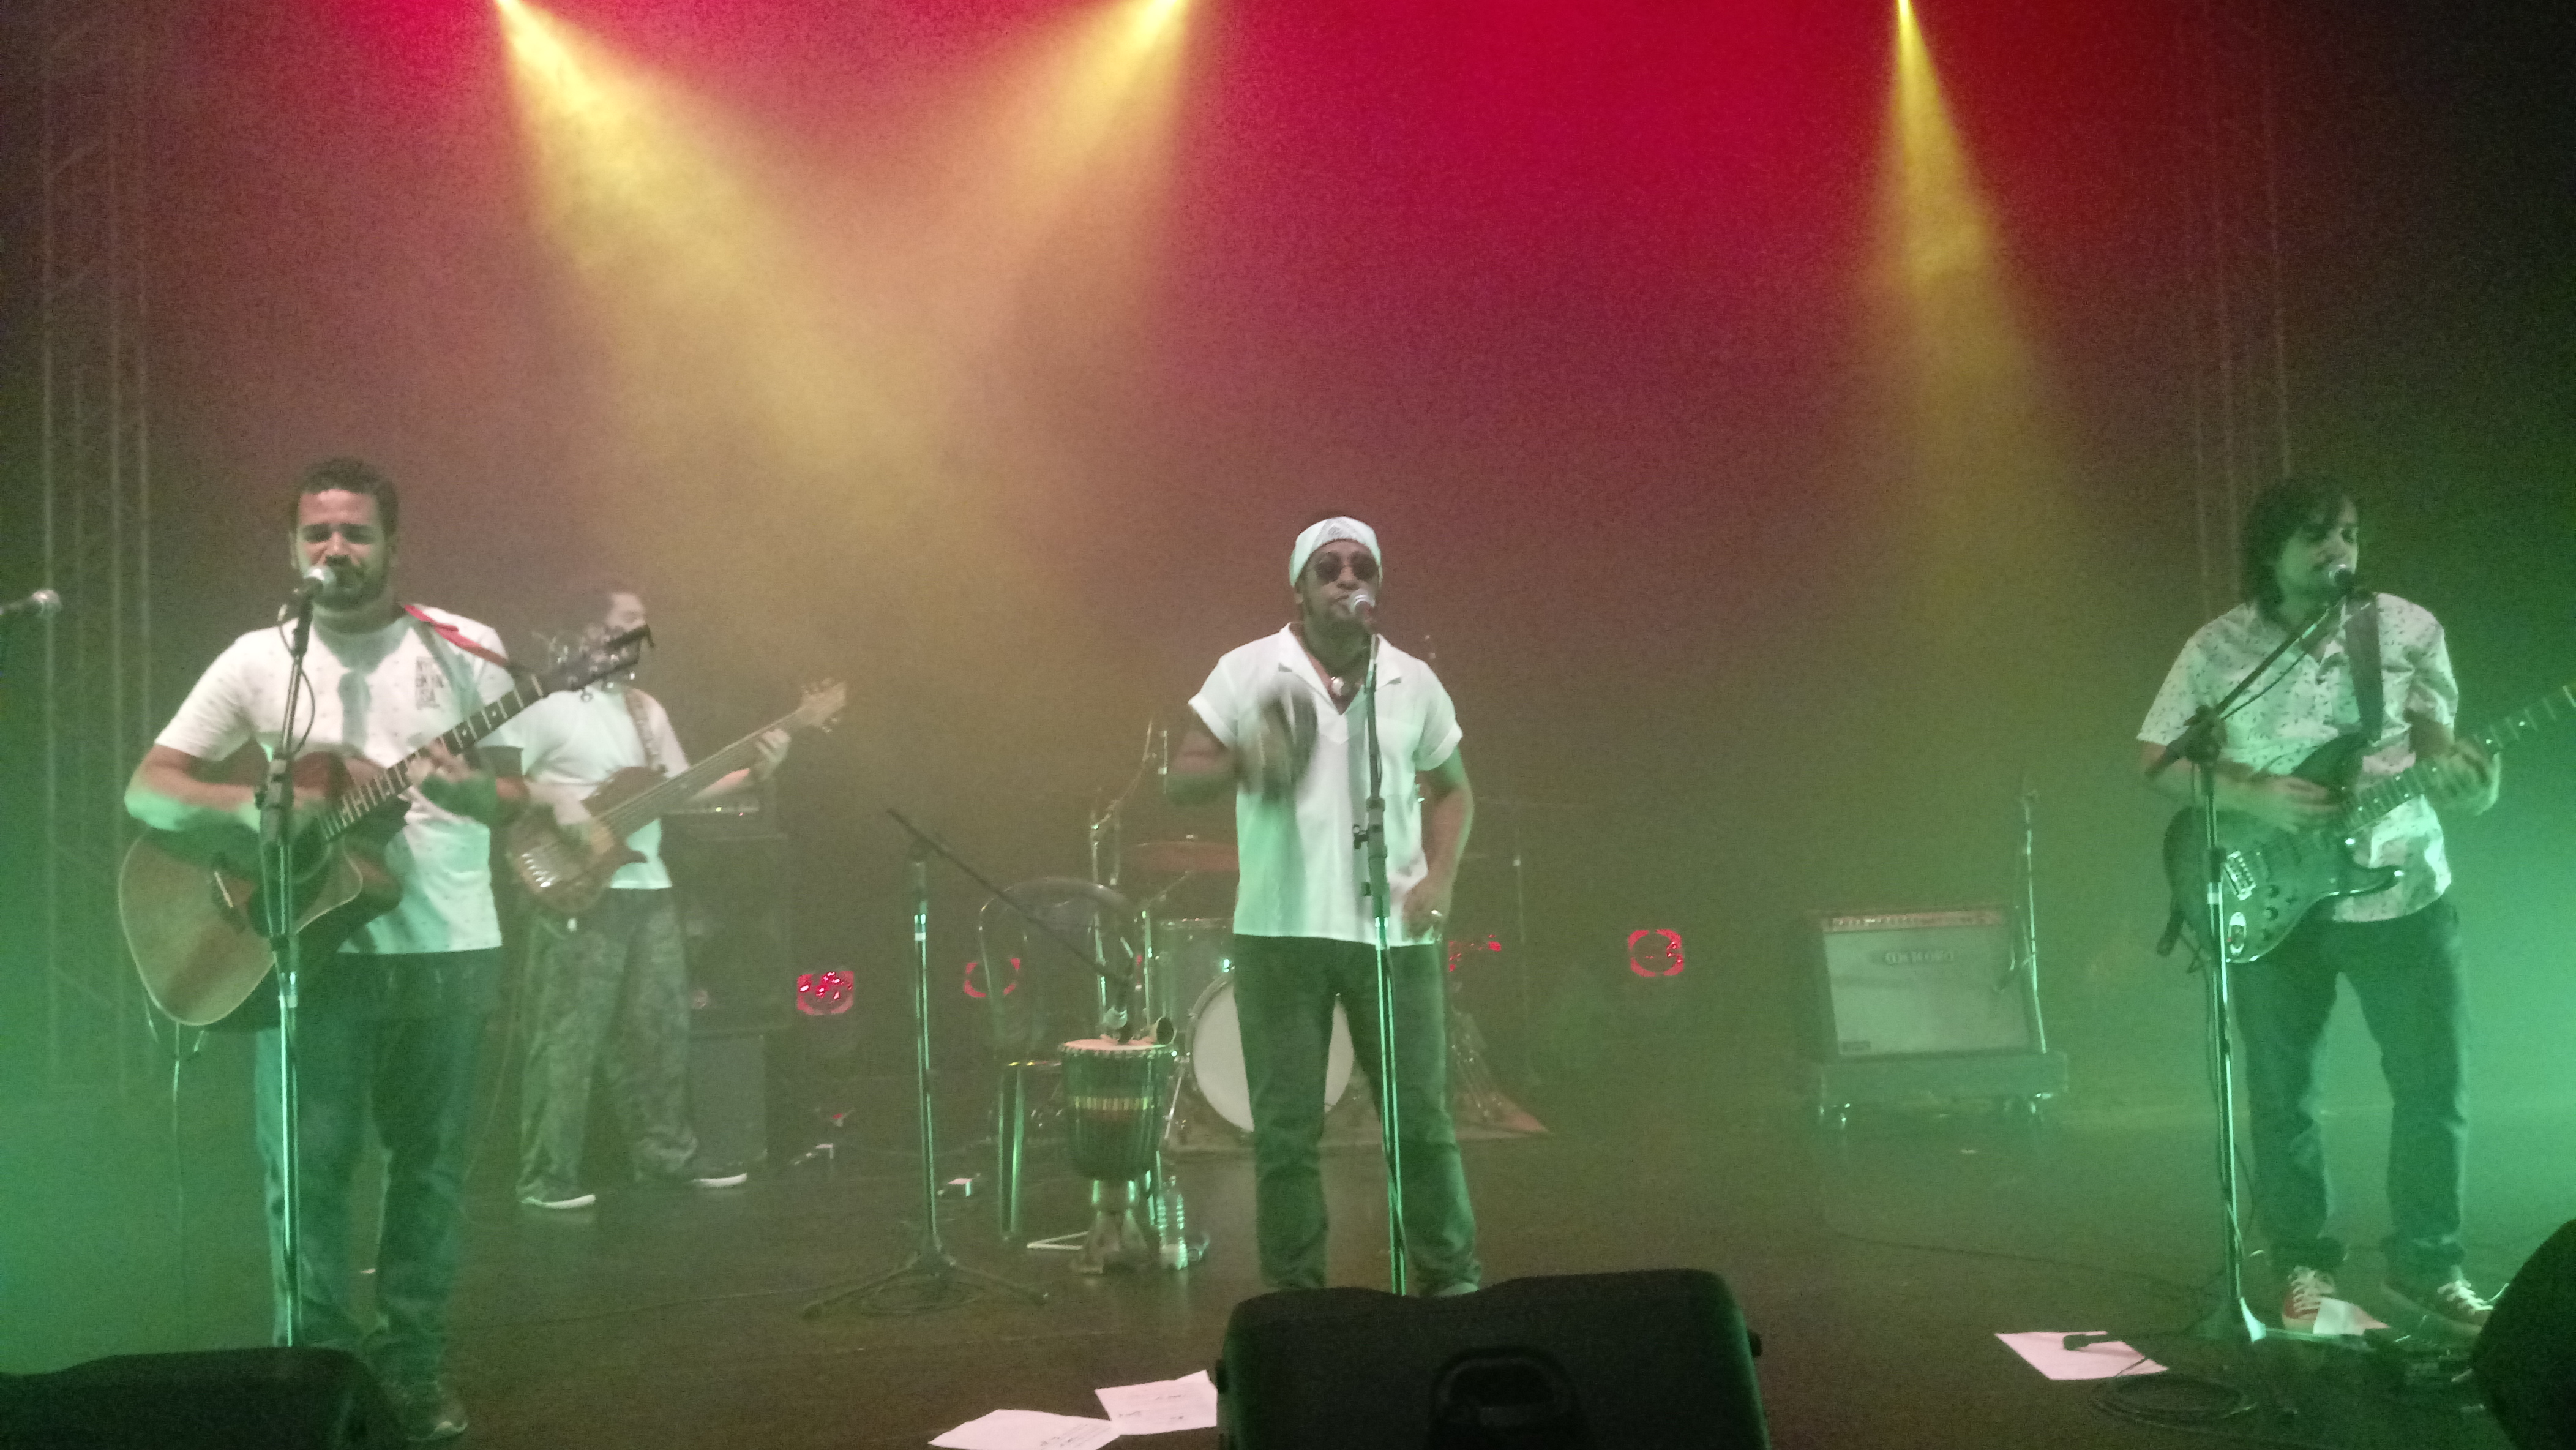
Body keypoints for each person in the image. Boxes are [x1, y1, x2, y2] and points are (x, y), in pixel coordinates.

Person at [127, 458, 523, 1441]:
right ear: (293, 548)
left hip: (450, 949)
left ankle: (413, 1373)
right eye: (319, 534)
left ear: (393, 545)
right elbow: (149, 790)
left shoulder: (469, 650)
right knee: (306, 1182)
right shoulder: (258, 659)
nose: (337, 549)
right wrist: (255, 808)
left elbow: (513, 793)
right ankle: (312, 1379)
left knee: (430, 1182)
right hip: (306, 956)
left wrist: (475, 793)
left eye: (356, 533)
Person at [2138, 476, 2501, 1339]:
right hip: (2274, 898)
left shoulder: (2406, 629)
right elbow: (2155, 762)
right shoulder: (2219, 647)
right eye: (2315, 536)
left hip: (2400, 888)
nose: (2338, 549)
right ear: (2271, 552)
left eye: (2347, 533)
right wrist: (2252, 793)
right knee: (2282, 1095)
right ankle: (2304, 1266)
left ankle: (2428, 1268)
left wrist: (2471, 783)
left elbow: (2439, 751)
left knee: (2432, 1086)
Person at [1164, 516, 1481, 1294]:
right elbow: (1181, 777)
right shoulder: (1246, 669)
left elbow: (1453, 790)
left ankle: (1450, 1283)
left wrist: (1440, 878)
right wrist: (1246, 759)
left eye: (1361, 567)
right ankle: (1298, 1302)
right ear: (1299, 588)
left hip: (1394, 934)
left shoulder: (1410, 679)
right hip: (1280, 932)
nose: (1346, 578)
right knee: (1285, 1133)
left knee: (1420, 1123)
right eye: (1329, 567)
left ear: (1376, 584)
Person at [500, 584, 788, 1211]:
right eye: (629, 619)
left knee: (660, 1030)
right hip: (575, 887)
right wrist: (560, 801)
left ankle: (666, 1160)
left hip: (648, 886)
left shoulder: (644, 710)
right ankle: (545, 1177)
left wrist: (757, 770)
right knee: (566, 1038)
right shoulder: (546, 704)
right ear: (590, 632)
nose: (642, 631)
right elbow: (499, 783)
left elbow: (679, 790)